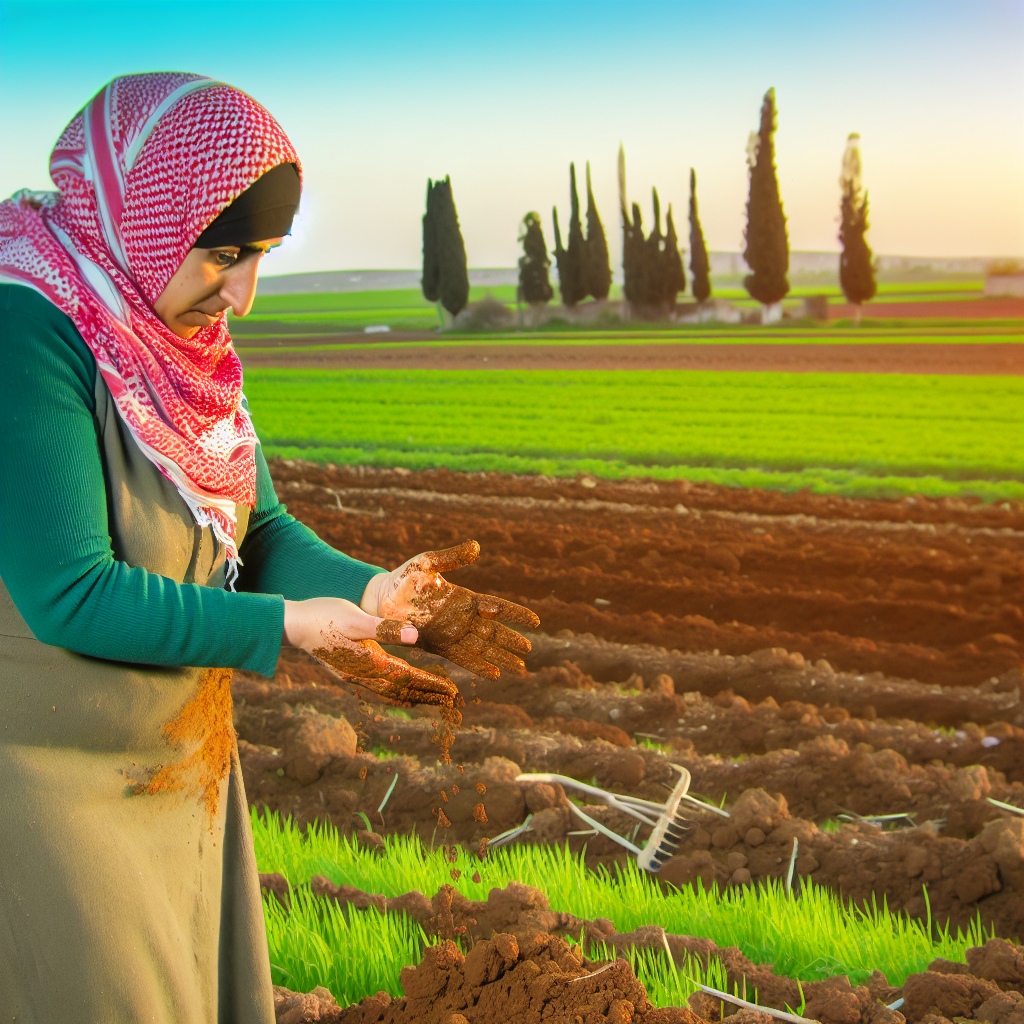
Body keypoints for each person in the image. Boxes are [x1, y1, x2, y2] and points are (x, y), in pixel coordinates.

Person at [0, 72, 538, 1024]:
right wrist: (286, 627)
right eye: (222, 255)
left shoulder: (180, 351)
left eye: (263, 257)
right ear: (145, 220)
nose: (242, 295)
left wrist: (377, 593)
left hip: (178, 773)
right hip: (45, 788)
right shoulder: (27, 330)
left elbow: (260, 531)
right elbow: (68, 592)